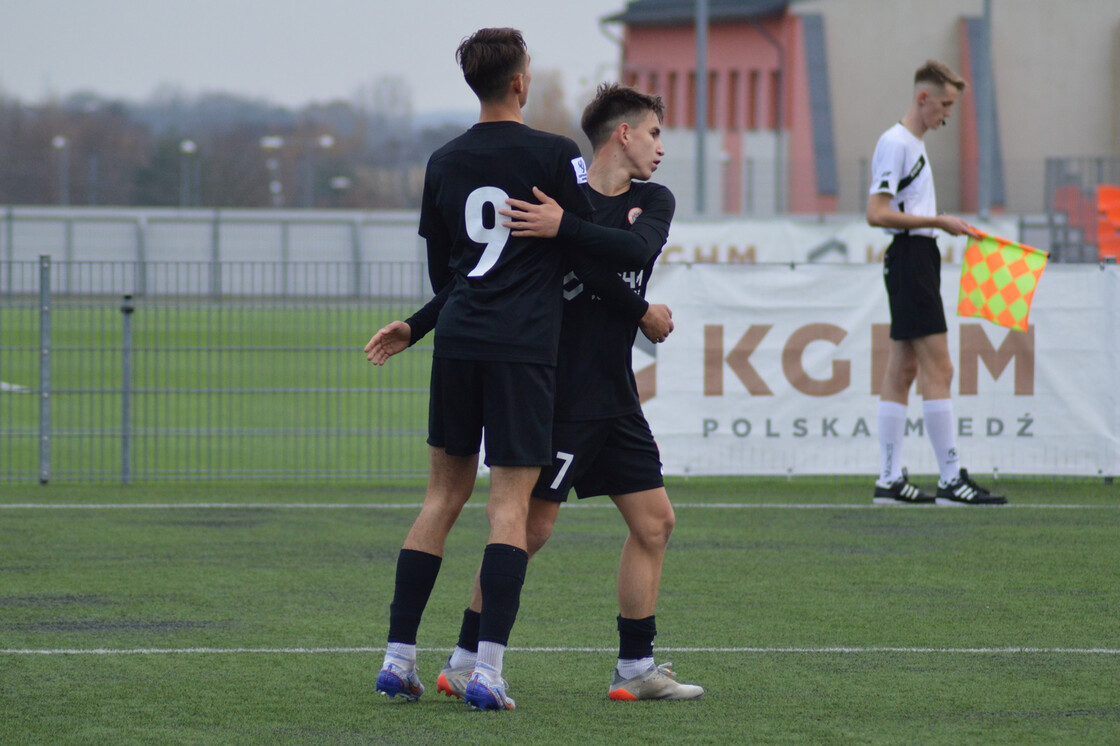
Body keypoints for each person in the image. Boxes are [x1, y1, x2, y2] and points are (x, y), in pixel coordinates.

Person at [367, 83, 703, 701]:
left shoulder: (647, 200)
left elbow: (633, 250)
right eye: (655, 132)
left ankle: (635, 667)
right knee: (528, 527)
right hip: (561, 394)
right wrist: (418, 324)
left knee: (656, 523)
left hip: (616, 395)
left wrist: (567, 230)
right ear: (623, 133)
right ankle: (467, 657)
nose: (661, 147)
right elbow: (475, 274)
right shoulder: (546, 200)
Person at [866, 60, 1007, 506]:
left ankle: (889, 480)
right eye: (944, 104)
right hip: (911, 256)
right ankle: (950, 478)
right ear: (923, 98)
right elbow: (876, 212)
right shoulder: (897, 143)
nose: (947, 114)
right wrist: (938, 221)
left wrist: (938, 227)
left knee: (903, 369)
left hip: (916, 256)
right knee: (940, 368)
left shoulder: (913, 144)